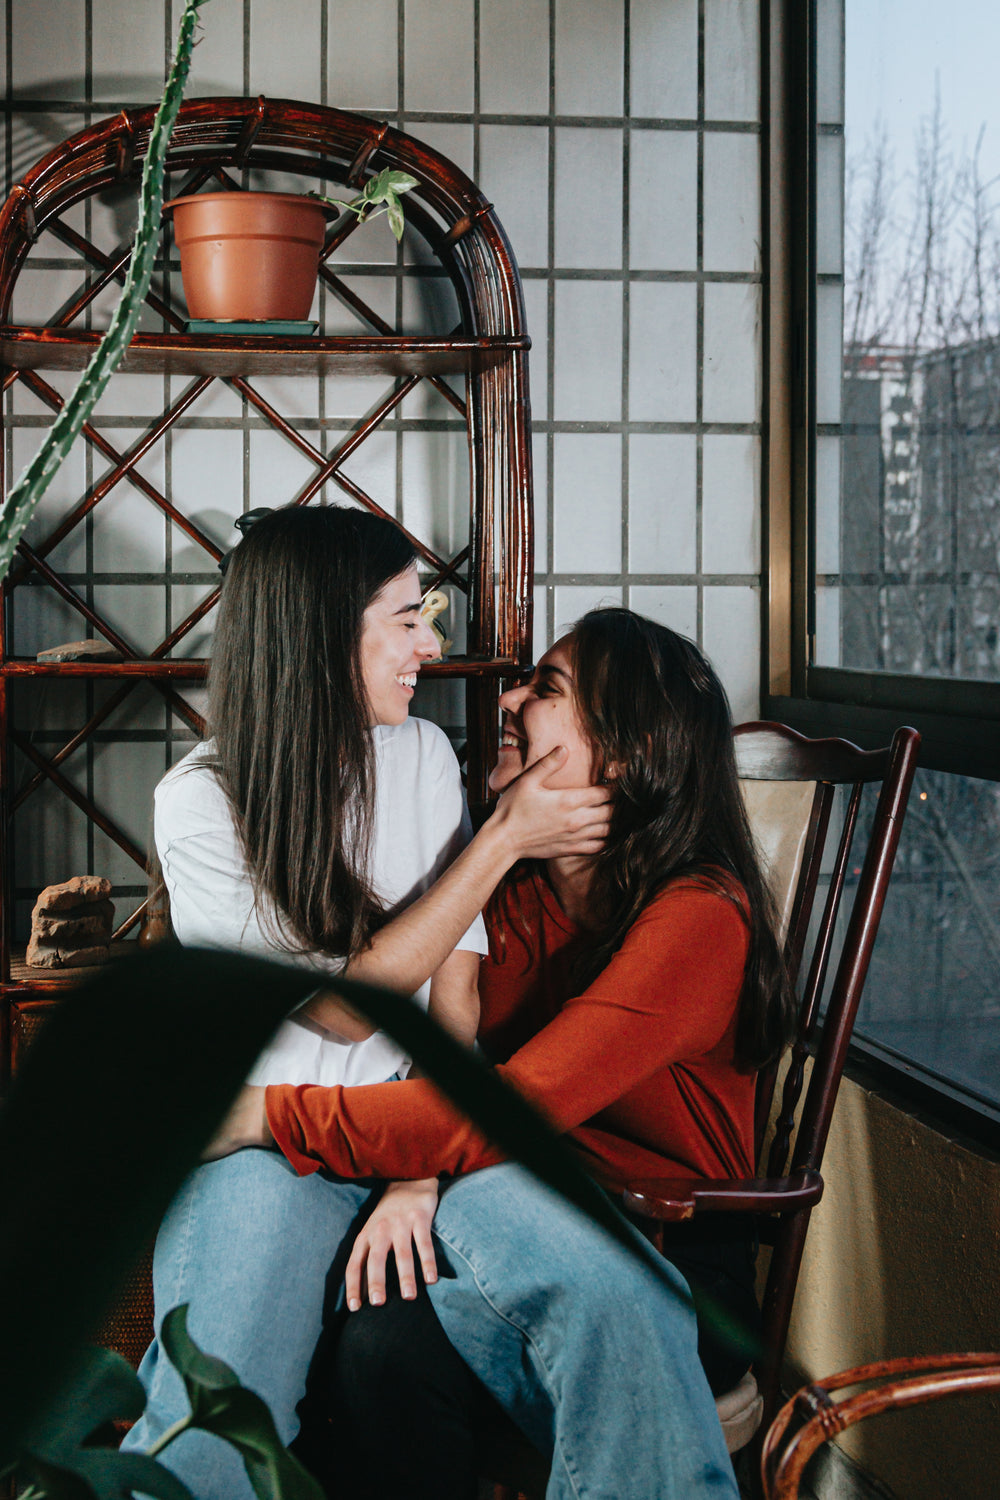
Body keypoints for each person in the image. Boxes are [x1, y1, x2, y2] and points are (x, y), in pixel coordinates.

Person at [209, 607, 796, 1500]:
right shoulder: (515, 891)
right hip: (500, 1203)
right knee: (373, 1341)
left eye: (547, 690)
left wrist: (261, 1114)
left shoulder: (698, 918)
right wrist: (418, 1180)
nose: (511, 699)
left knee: (403, 1323)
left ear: (628, 757)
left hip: (667, 1247)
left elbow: (506, 1104)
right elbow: (424, 1041)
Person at [121, 504, 611, 1499]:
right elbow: (342, 1013)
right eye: (403, 617)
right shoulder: (200, 800)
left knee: (605, 1308)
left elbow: (454, 1001)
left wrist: (417, 1168)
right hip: (266, 1148)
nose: (430, 642)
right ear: (318, 632)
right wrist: (501, 843)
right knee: (216, 1424)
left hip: (416, 1125)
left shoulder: (422, 757)